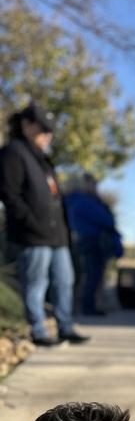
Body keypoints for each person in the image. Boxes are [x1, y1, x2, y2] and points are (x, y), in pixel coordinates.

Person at [0, 102, 89, 345]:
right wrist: (29, 222)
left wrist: (65, 231)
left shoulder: (43, 160)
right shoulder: (13, 153)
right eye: (43, 129)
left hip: (56, 235)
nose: (48, 135)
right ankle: (38, 330)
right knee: (36, 283)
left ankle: (65, 326)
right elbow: (9, 194)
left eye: (50, 131)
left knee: (64, 281)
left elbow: (54, 198)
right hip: (33, 235)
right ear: (26, 125)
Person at [65, 173, 124, 315]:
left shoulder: (80, 201)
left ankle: (89, 304)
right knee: (92, 275)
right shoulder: (83, 202)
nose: (94, 187)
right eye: (91, 184)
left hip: (87, 240)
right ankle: (88, 306)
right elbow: (106, 220)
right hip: (91, 241)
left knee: (92, 275)